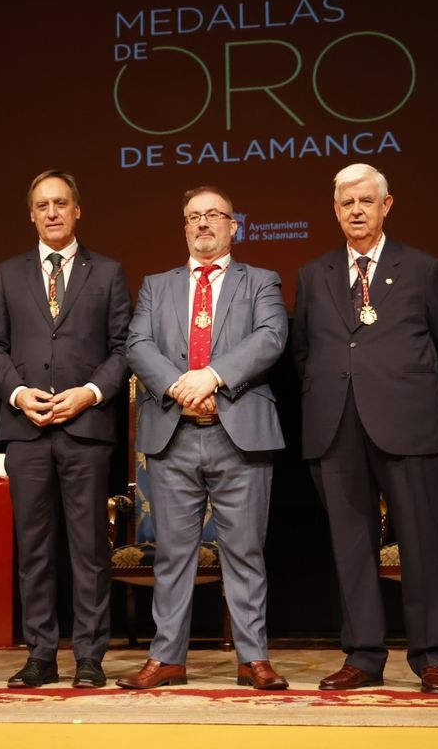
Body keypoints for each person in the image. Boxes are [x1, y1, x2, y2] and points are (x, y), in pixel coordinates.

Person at [291, 163, 438, 694]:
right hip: (335, 426)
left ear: (387, 206)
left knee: (418, 544)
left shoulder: (422, 269)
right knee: (351, 547)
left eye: (366, 201)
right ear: (335, 210)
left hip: (407, 426)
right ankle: (363, 655)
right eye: (347, 204)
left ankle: (433, 657)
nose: (357, 211)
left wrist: (403, 394)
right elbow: (304, 353)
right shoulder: (313, 274)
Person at [117, 185, 289, 691]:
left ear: (235, 226)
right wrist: (179, 385)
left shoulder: (261, 281)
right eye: (194, 216)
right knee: (173, 552)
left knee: (245, 551)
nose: (204, 223)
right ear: (184, 226)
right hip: (174, 433)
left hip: (240, 435)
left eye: (215, 215)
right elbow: (138, 343)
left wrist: (210, 376)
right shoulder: (156, 285)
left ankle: (253, 658)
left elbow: (270, 337)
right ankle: (167, 658)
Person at [0, 170, 132, 689]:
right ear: (31, 215)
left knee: (89, 549)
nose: (51, 212)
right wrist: (19, 395)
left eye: (61, 203)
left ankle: (90, 657)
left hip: (85, 429)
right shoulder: (6, 273)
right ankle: (40, 655)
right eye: (42, 205)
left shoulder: (107, 272)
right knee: (35, 548)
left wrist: (88, 393)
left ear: (77, 210)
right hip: (25, 432)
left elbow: (122, 349)